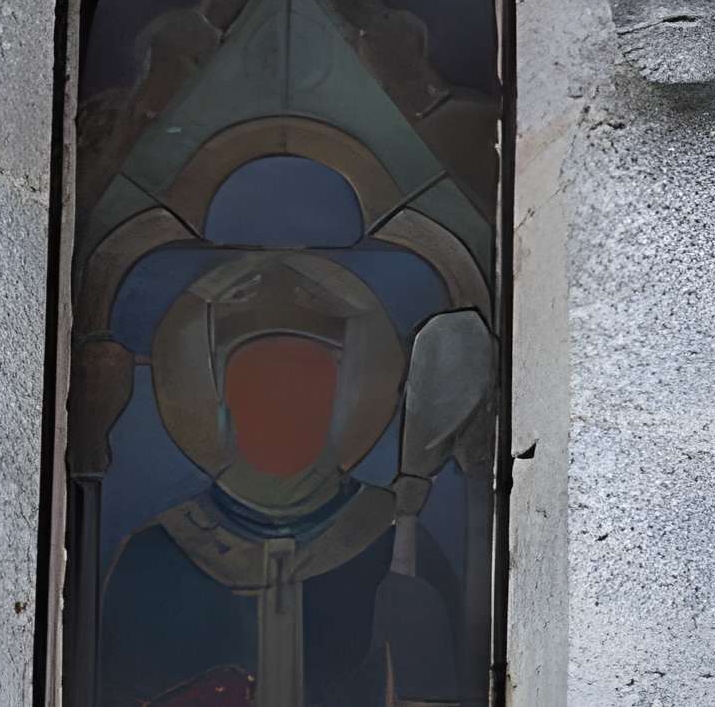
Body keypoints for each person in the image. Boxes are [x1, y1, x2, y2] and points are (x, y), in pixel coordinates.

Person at [97, 252, 465, 707]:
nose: (283, 406)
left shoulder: (397, 546)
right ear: (221, 400)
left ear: (339, 400)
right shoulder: (153, 558)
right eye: (257, 382)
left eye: (307, 384)